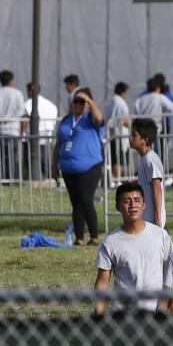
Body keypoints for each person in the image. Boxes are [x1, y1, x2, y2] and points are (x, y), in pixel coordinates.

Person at [94, 181, 173, 315]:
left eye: (137, 200)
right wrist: (98, 315)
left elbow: (172, 275)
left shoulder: (160, 236)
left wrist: (169, 308)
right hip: (123, 314)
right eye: (126, 201)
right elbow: (102, 283)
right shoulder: (110, 242)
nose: (132, 205)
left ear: (144, 205)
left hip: (156, 312)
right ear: (118, 207)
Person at [53, 87, 105, 246]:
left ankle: (94, 235)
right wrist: (54, 165)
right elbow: (58, 143)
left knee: (86, 199)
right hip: (68, 168)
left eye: (82, 102)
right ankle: (79, 237)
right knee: (76, 202)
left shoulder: (90, 118)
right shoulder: (67, 119)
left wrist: (89, 101)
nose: (78, 104)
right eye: (75, 101)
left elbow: (99, 118)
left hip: (89, 166)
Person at [130, 118, 165, 227]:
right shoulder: (144, 158)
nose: (130, 138)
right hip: (146, 217)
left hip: (152, 219)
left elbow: (157, 188)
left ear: (144, 140)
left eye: (134, 135)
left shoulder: (150, 159)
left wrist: (157, 217)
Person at [107, 82, 131, 179]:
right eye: (126, 92)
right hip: (119, 135)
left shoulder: (110, 101)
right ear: (122, 92)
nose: (127, 95)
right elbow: (124, 120)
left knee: (113, 159)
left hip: (111, 134)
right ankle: (117, 180)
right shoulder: (121, 103)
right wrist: (134, 126)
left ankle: (113, 179)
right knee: (119, 160)